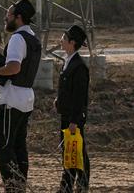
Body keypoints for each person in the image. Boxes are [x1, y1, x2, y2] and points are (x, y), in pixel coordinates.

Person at [0, 0, 42, 192]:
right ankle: (19, 186)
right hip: (25, 98)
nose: (5, 18)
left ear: (18, 17)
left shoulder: (17, 38)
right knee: (18, 146)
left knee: (5, 147)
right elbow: (19, 61)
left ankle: (13, 188)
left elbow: (14, 67)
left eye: (8, 15)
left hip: (11, 100)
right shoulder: (32, 38)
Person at [55, 25, 90, 192]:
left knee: (77, 154)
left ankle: (78, 186)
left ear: (72, 42)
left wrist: (75, 121)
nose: (61, 41)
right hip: (66, 116)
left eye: (64, 38)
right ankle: (69, 186)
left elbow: (79, 96)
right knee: (70, 153)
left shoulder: (79, 66)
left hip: (72, 119)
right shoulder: (68, 62)